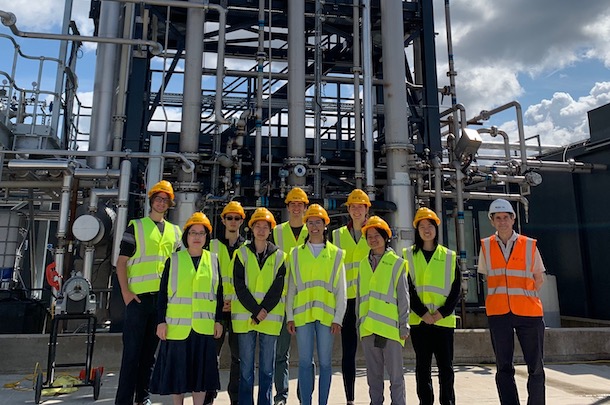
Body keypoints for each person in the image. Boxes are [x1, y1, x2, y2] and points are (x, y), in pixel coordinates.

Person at [115, 180, 182, 405]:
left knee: (149, 355)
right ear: (151, 201)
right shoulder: (136, 226)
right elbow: (121, 262)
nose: (162, 203)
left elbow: (179, 266)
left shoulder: (175, 232)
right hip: (138, 299)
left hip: (161, 301)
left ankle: (142, 397)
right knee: (131, 354)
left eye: (166, 200)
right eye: (158, 199)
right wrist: (125, 293)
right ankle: (123, 400)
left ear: (169, 204)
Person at [150, 212, 224, 405]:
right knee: (178, 373)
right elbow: (162, 295)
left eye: (201, 233)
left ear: (206, 237)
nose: (197, 237)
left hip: (203, 327)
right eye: (193, 233)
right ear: (186, 237)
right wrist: (161, 322)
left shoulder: (213, 260)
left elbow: (219, 293)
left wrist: (218, 320)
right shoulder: (174, 260)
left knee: (200, 375)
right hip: (177, 328)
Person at [478, 199, 546, 405]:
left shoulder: (529, 245)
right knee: (503, 367)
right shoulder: (486, 246)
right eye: (497, 218)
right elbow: (487, 278)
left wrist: (524, 297)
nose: (502, 222)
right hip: (499, 314)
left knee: (535, 366)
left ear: (513, 219)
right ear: (492, 221)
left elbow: (539, 278)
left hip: (529, 313)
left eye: (506, 217)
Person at [287, 204, 347, 405]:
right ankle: (306, 402)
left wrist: (338, 318)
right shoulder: (295, 254)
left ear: (325, 225)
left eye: (318, 222)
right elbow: (292, 288)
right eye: (310, 222)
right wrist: (290, 316)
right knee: (304, 363)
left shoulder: (336, 254)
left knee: (325, 363)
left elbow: (342, 291)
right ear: (306, 225)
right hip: (302, 315)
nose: (314, 226)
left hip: (327, 317)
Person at [403, 207, 460, 405]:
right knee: (422, 367)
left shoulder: (449, 256)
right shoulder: (408, 255)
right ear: (417, 230)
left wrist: (441, 314)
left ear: (436, 228)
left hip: (443, 322)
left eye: (430, 226)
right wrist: (423, 313)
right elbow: (407, 288)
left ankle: (448, 402)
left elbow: (455, 290)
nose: (426, 230)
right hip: (420, 321)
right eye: (422, 226)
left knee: (446, 367)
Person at [232, 208, 287, 405]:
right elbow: (239, 286)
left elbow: (278, 287)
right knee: (246, 369)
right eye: (258, 226)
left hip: (269, 320)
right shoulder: (241, 254)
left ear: (270, 230)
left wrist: (262, 311)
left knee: (267, 370)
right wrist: (257, 311)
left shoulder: (280, 256)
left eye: (265, 227)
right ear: (252, 229)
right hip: (247, 318)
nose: (261, 230)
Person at [358, 216, 410, 405]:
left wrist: (404, 325)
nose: (373, 239)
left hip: (390, 329)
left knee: (396, 378)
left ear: (385, 237)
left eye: (376, 235)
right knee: (374, 378)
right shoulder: (363, 264)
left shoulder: (396, 263)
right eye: (369, 236)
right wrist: (359, 324)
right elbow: (360, 296)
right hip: (369, 328)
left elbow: (404, 297)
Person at [331, 189, 371, 405]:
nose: (356, 210)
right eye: (353, 206)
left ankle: (377, 396)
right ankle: (350, 398)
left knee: (374, 352)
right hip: (346, 302)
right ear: (348, 209)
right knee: (349, 352)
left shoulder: (375, 232)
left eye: (360, 206)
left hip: (368, 301)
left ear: (367, 209)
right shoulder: (337, 235)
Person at [205, 201, 247, 405]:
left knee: (238, 359)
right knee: (212, 356)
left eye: (236, 218)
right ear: (222, 220)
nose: (232, 221)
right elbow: (209, 278)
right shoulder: (212, 245)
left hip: (239, 310)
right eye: (229, 217)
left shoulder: (247, 247)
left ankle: (236, 399)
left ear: (241, 221)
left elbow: (248, 281)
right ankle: (208, 396)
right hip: (217, 311)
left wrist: (236, 302)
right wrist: (220, 304)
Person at [271, 187, 309, 405]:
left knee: (305, 357)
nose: (296, 208)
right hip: (282, 299)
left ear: (305, 207)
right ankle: (281, 395)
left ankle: (304, 396)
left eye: (300, 204)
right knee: (280, 353)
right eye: (292, 204)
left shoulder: (313, 230)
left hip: (305, 300)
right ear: (287, 207)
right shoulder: (276, 232)